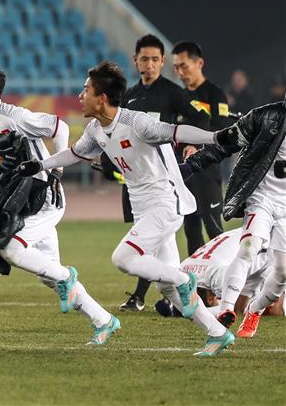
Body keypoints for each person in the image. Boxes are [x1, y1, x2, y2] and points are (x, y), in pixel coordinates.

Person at [16, 60, 236, 356]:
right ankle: (217, 332)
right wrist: (41, 165)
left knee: (124, 257)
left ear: (102, 97)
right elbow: (75, 154)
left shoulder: (137, 123)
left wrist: (213, 137)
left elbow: (176, 130)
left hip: (164, 202)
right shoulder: (95, 129)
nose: (81, 96)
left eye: (86, 90)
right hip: (144, 209)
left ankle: (185, 279)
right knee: (167, 288)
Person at [0, 61, 119, 344]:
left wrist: (56, 170)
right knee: (48, 275)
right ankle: (103, 319)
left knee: (9, 248)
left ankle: (67, 277)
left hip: (43, 196)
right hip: (17, 203)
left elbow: (59, 127)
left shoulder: (16, 117)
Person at [181, 90, 286, 338]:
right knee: (248, 248)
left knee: (282, 271)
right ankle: (226, 309)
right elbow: (226, 144)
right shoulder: (266, 117)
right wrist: (192, 165)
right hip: (261, 198)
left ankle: (254, 310)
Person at [117, 34, 210, 312]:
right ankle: (179, 300)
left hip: (162, 181)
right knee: (158, 240)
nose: (150, 64)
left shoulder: (171, 92)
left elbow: (201, 118)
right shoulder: (129, 96)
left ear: (162, 62)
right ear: (136, 61)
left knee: (150, 238)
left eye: (155, 59)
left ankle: (150, 295)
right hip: (136, 179)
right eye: (144, 59)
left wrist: (192, 143)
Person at [171, 41, 227, 256]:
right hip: (184, 172)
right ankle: (199, 289)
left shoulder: (214, 94)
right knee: (191, 230)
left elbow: (220, 130)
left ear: (199, 63)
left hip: (207, 171)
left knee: (214, 230)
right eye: (176, 67)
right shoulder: (179, 97)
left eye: (184, 66)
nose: (180, 72)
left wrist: (196, 144)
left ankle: (222, 285)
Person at [157, 229, 276, 318]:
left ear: (209, 299)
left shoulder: (217, 275)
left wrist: (189, 314)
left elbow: (226, 309)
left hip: (269, 243)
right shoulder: (182, 268)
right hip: (251, 236)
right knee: (243, 306)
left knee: (276, 310)